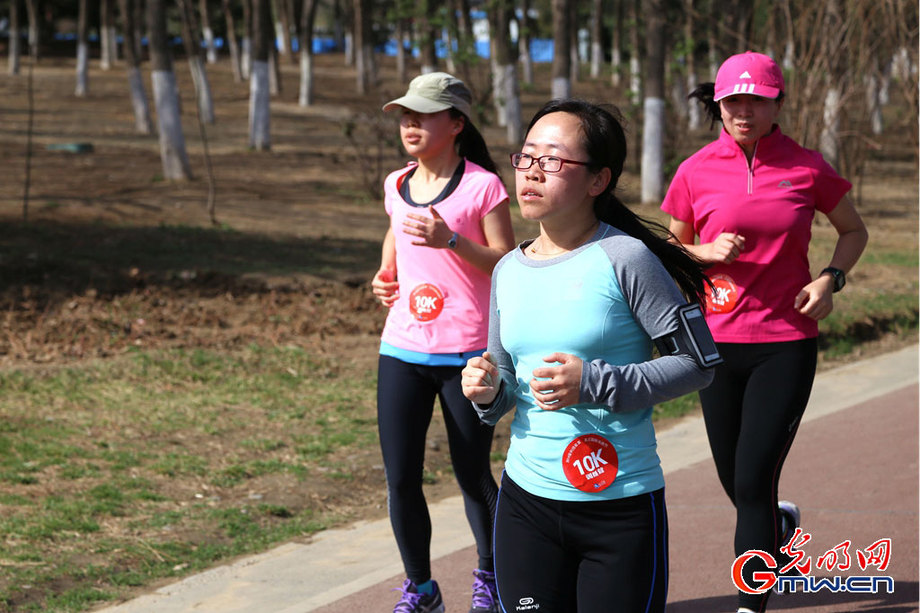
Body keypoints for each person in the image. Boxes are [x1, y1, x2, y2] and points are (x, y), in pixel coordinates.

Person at [461, 99, 719, 613]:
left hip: (618, 504)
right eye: (526, 156)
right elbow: (505, 376)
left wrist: (596, 382)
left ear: (598, 180)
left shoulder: (625, 257)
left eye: (553, 160)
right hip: (526, 501)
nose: (532, 172)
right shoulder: (509, 269)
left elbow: (699, 363)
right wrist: (488, 391)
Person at [660, 51, 869, 613]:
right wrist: (703, 251)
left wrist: (830, 279)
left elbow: (852, 230)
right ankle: (776, 524)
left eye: (756, 100)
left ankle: (752, 602)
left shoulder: (806, 167)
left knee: (752, 478)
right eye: (732, 101)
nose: (743, 111)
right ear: (719, 105)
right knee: (735, 478)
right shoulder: (695, 169)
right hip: (714, 344)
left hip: (785, 342)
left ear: (778, 103)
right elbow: (670, 250)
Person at [372, 72, 515, 613]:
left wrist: (450, 240)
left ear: (455, 123)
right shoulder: (396, 182)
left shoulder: (483, 186)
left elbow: (505, 260)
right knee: (401, 478)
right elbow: (396, 225)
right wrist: (385, 272)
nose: (410, 123)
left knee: (473, 473)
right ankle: (421, 590)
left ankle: (492, 579)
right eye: (405, 114)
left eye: (423, 114)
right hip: (402, 351)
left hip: (467, 354)